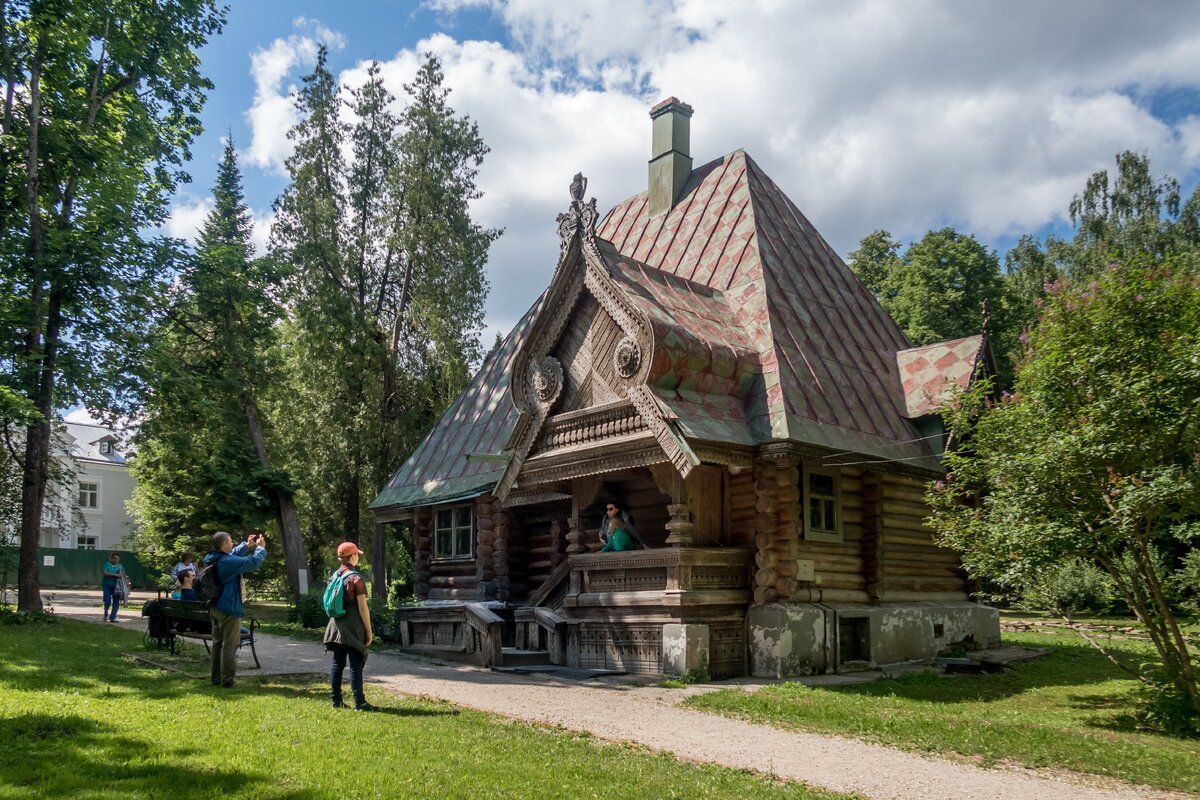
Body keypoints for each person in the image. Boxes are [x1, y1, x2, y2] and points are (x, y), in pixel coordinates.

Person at [203, 531, 267, 688]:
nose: (232, 544)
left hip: (216, 606)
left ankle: (216, 678)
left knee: (218, 644)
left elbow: (232, 554)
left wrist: (247, 545)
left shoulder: (215, 558)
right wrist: (260, 549)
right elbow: (252, 563)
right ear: (224, 544)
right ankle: (227, 681)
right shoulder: (227, 562)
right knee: (230, 645)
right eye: (230, 541)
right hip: (228, 608)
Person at [323, 541, 377, 711]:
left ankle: (336, 701)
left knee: (337, 663)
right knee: (356, 664)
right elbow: (362, 607)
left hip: (335, 625)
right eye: (357, 554)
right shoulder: (356, 578)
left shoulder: (333, 576)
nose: (358, 557)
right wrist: (368, 630)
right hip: (352, 626)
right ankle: (360, 703)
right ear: (352, 556)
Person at [101, 551, 125, 622]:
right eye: (114, 558)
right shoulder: (107, 564)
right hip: (107, 585)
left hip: (117, 587)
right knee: (107, 601)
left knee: (116, 602)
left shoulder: (120, 566)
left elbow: (123, 575)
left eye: (117, 559)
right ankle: (106, 612)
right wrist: (115, 575)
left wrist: (127, 585)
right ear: (111, 559)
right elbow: (104, 573)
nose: (116, 560)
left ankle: (113, 617)